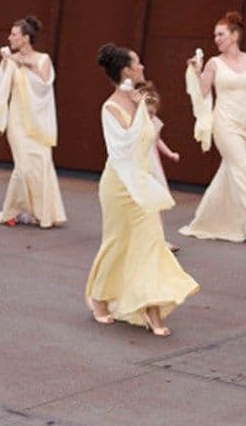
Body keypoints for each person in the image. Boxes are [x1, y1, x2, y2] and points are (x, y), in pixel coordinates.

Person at [85, 44, 199, 337]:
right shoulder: (110, 107)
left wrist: (141, 107)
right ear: (126, 71)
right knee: (117, 243)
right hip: (119, 186)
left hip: (142, 184)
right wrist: (138, 111)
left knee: (150, 242)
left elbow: (149, 141)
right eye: (138, 64)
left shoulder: (141, 102)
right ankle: (99, 299)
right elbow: (124, 146)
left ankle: (151, 308)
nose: (143, 68)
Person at [181, 11, 246, 245]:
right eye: (215, 36)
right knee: (242, 169)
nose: (216, 39)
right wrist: (197, 72)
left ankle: (208, 219)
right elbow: (203, 92)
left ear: (234, 35)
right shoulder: (214, 63)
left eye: (221, 34)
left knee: (232, 172)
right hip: (225, 123)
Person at [0, 15, 66, 229]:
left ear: (25, 38)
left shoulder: (42, 59)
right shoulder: (10, 59)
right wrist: (9, 61)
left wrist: (20, 61)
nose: (10, 38)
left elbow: (44, 84)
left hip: (39, 121)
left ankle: (39, 212)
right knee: (24, 167)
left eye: (14, 34)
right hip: (17, 119)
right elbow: (0, 87)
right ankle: (15, 209)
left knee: (41, 164)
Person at [135, 80, 181, 252]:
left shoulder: (155, 123)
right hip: (140, 165)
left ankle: (159, 239)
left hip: (153, 165)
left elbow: (157, 140)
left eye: (152, 113)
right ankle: (142, 237)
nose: (149, 116)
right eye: (146, 112)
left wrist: (170, 153)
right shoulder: (134, 124)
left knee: (156, 203)